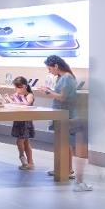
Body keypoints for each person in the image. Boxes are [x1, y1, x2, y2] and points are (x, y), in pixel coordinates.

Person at [37, 54, 89, 191]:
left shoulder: (67, 78)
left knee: (64, 142)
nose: (49, 72)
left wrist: (48, 92)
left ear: (56, 66)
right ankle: (64, 168)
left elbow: (63, 97)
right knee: (62, 142)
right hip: (60, 112)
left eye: (50, 69)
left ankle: (68, 170)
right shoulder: (63, 77)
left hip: (65, 114)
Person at [10, 76, 36, 170]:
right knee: (26, 143)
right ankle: (30, 162)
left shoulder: (29, 95)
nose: (16, 89)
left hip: (25, 122)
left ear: (23, 86)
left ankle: (22, 157)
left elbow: (28, 103)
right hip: (18, 120)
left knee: (20, 141)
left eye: (17, 87)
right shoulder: (17, 95)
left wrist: (19, 99)